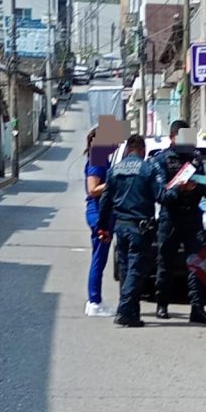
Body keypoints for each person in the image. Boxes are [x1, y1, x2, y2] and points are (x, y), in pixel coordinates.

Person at [150, 120, 206, 324]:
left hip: (193, 217)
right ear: (172, 138)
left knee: (196, 265)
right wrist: (180, 188)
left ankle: (197, 309)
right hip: (170, 218)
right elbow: (161, 194)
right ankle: (162, 305)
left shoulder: (195, 158)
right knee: (165, 264)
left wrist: (203, 186)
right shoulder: (161, 160)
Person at [98, 134, 166, 327]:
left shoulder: (114, 170)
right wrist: (178, 189)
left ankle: (132, 314)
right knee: (135, 272)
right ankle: (124, 311)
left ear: (128, 149)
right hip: (140, 228)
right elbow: (160, 196)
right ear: (143, 151)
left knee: (126, 271)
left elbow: (105, 201)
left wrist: (103, 227)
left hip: (121, 226)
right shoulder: (148, 169)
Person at [83, 128, 113, 317]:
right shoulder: (97, 160)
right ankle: (94, 302)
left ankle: (95, 300)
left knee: (99, 258)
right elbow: (92, 189)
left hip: (102, 214)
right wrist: (114, 182)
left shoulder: (102, 160)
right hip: (99, 215)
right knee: (99, 259)